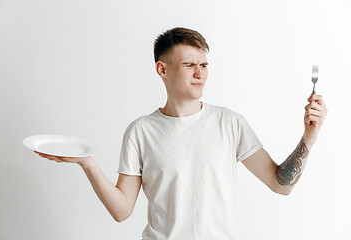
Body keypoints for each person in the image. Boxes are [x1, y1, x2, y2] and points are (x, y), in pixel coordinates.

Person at [35, 27, 328, 239]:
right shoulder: (141, 131)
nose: (199, 73)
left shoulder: (230, 122)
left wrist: (310, 137)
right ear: (162, 69)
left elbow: (281, 184)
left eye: (203, 65)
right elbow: (122, 211)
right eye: (189, 65)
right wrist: (87, 163)